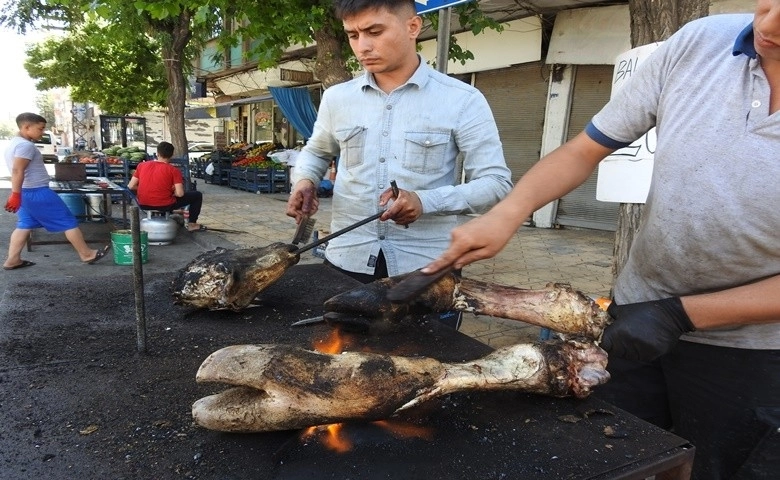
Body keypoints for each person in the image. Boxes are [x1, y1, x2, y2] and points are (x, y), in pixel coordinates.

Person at [423, 6, 780, 479]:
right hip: (635, 317)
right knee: (611, 456)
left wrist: (681, 314)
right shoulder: (701, 42)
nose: (769, 23)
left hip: (751, 354)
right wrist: (508, 212)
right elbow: (585, 149)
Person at [286, 0, 513, 322]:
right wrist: (305, 180)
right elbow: (317, 150)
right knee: (342, 357)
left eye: (374, 31)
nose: (362, 46)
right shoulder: (338, 98)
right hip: (346, 260)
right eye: (352, 35)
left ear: (413, 27)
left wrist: (425, 201)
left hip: (424, 269)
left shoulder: (462, 100)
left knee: (429, 364)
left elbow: (495, 182)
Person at [3, 112, 110, 269]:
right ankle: (87, 254)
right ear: (26, 127)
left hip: (26, 193)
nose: (43, 132)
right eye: (40, 129)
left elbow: (18, 171)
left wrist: (17, 194)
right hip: (37, 192)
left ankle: (13, 260)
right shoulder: (25, 146)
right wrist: (15, 194)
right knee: (68, 222)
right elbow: (18, 170)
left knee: (25, 224)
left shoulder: (14, 143)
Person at [126, 141, 204, 232]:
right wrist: (169, 191)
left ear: (157, 153)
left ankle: (176, 213)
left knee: (165, 198)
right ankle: (192, 224)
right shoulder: (173, 170)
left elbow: (131, 186)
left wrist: (150, 189)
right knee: (197, 195)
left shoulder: (141, 165)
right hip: (164, 205)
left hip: (143, 204)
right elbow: (180, 194)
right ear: (171, 155)